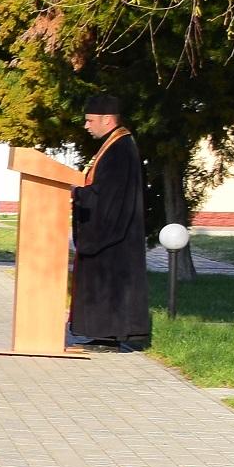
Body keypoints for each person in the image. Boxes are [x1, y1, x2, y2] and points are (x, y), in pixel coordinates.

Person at [70, 94, 151, 349]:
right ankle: (105, 332)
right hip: (114, 232)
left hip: (115, 235)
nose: (86, 126)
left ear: (107, 119)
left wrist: (78, 193)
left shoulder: (120, 149)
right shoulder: (114, 145)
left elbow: (108, 196)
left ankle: (114, 333)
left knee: (111, 281)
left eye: (90, 120)